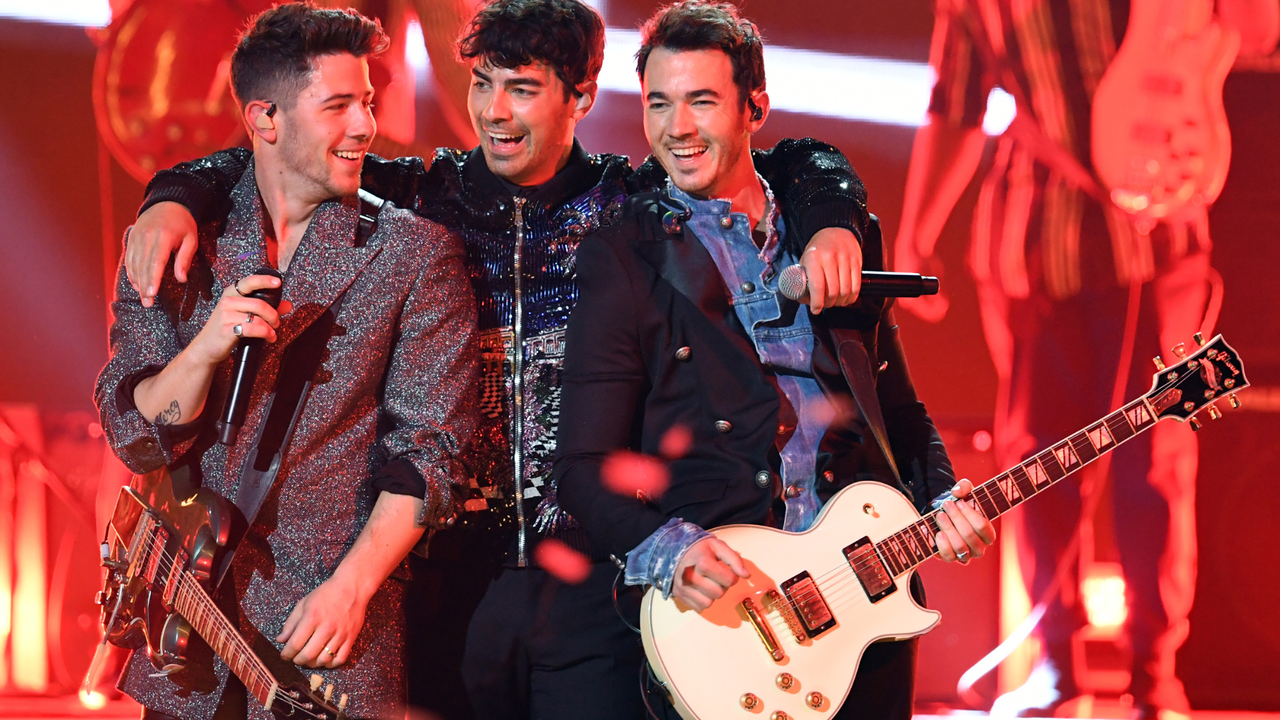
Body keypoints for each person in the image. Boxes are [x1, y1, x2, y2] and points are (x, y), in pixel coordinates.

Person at [117, 2, 871, 717]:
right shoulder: (422, 196)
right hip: (443, 576)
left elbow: (796, 159)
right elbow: (276, 153)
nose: (494, 111)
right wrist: (173, 196)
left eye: (521, 88)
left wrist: (834, 221)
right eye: (482, 85)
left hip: (597, 577)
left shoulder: (632, 204)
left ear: (579, 97)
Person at [552, 3, 997, 718]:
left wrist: (944, 498)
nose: (677, 128)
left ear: (755, 106)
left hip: (866, 607)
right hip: (728, 628)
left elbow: (901, 415)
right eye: (658, 104)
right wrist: (671, 551)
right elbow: (580, 467)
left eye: (702, 101)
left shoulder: (837, 234)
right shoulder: (626, 253)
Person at [893, 1, 1279, 717]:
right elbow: (957, 104)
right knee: (1040, 465)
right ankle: (1059, 667)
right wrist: (917, 233)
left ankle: (1153, 673)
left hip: (1159, 239)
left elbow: (1255, 31)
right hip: (1032, 244)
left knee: (1156, 461)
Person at [93, 5, 477, 719]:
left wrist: (353, 588)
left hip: (325, 637)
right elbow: (135, 433)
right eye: (337, 106)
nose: (364, 125)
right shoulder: (178, 241)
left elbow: (431, 456)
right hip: (184, 637)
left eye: (365, 102)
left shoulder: (415, 255)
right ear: (264, 120)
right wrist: (206, 348)